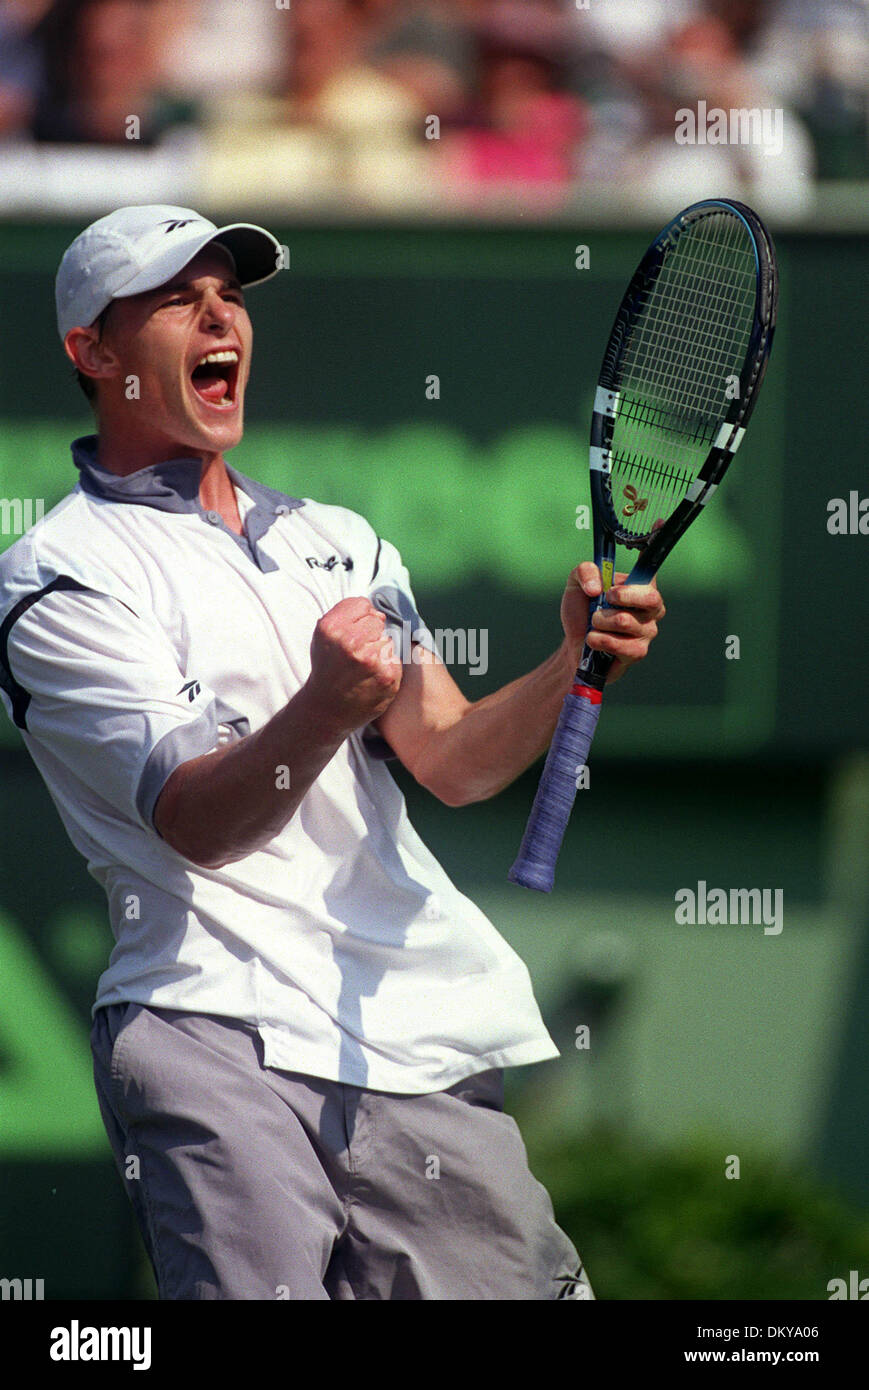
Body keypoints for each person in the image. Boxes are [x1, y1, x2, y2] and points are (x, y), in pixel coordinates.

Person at [0, 204, 665, 1301]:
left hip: (402, 1031)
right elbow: (198, 821)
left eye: (229, 292)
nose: (220, 315)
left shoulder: (342, 538)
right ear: (93, 351)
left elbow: (450, 757)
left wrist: (572, 664)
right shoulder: (57, 579)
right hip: (204, 1025)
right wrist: (320, 706)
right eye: (176, 296)